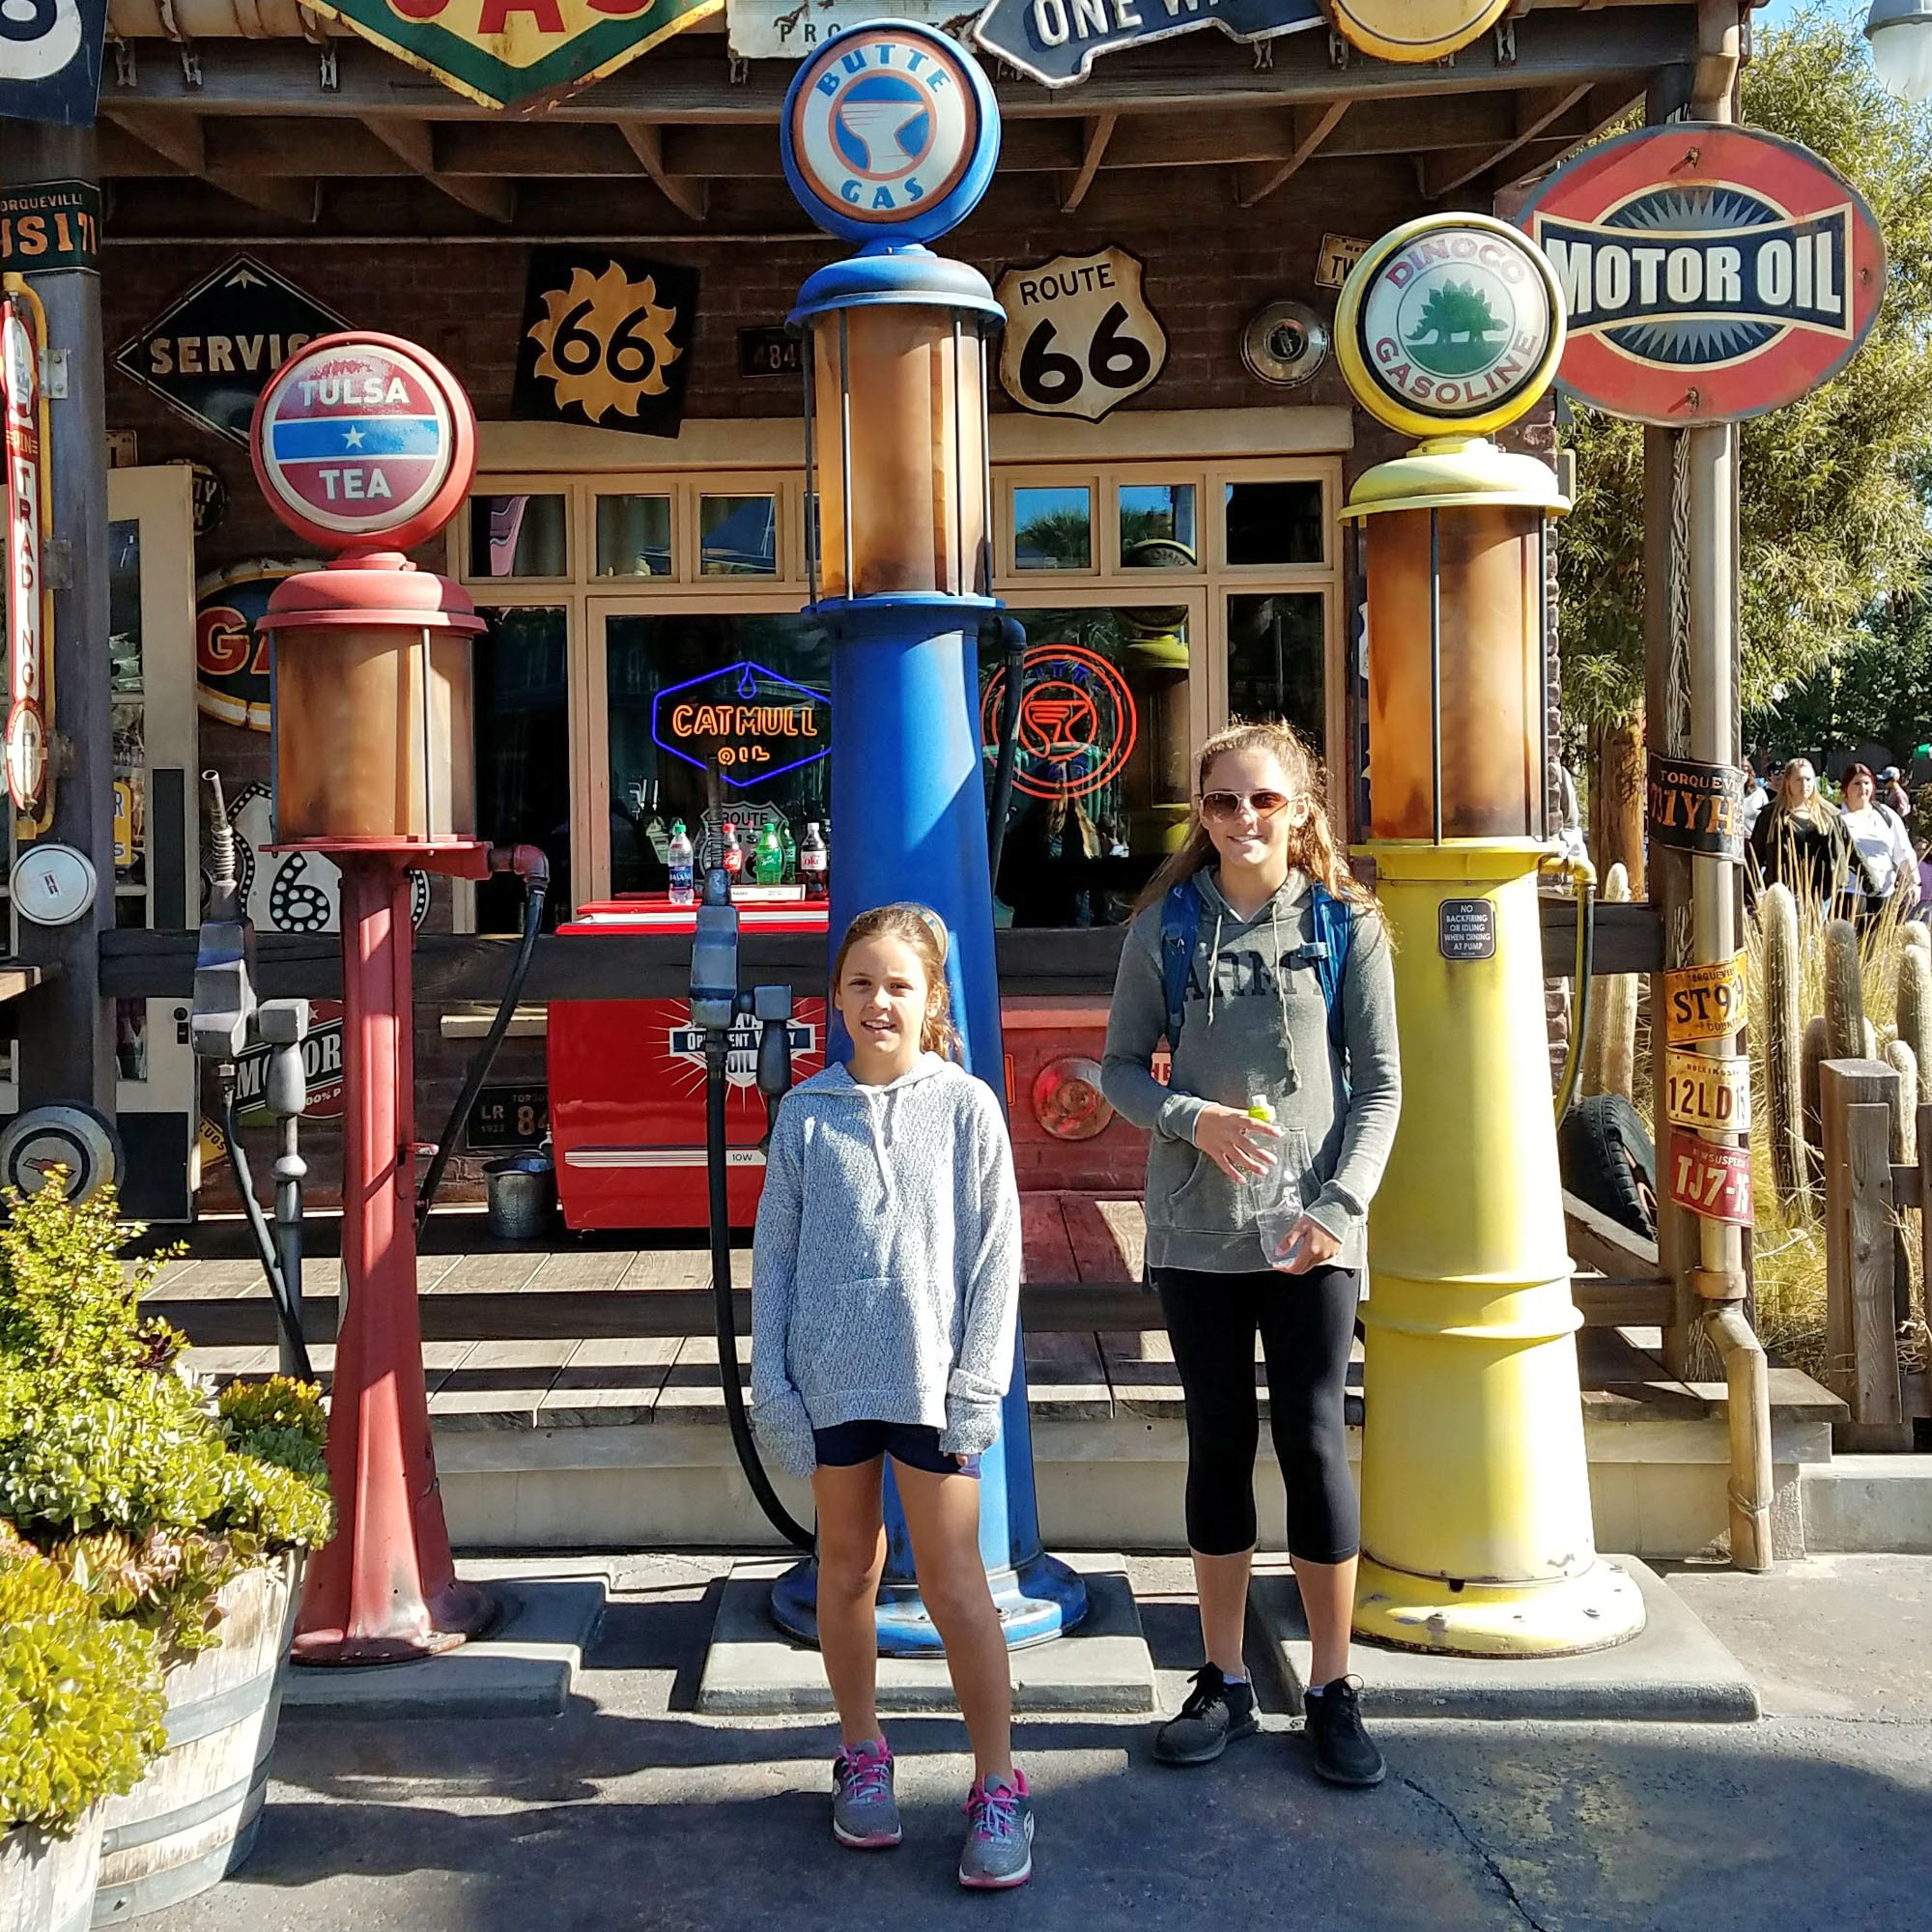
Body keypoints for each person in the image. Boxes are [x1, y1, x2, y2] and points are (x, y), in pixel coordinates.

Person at [1100, 720, 1401, 1788]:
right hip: (1196, 1231)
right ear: (1200, 811)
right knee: (1218, 1442)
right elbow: (1119, 1070)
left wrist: (1339, 1203)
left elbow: (1378, 1084)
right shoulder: (1165, 926)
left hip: (1310, 1234)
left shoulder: (1341, 922)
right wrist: (1192, 1117)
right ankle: (1221, 1675)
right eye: (1222, 801)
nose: (1241, 819)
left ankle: (1329, 1683)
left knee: (1314, 1441)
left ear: (1299, 807)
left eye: (1261, 799)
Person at [749, 903, 1034, 1889]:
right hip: (833, 1384)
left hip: (931, 1381)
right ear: (834, 995)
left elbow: (998, 1257)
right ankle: (860, 1747)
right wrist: (772, 1386)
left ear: (931, 1000)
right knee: (845, 1568)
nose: (878, 1001)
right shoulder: (805, 1113)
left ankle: (997, 1779)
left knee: (956, 1583)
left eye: (898, 984)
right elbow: (773, 1258)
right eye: (860, 982)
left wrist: (975, 1385)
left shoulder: (966, 1107)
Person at [1749, 757, 1860, 910]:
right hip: (1784, 890)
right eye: (1799, 780)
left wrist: (1869, 881)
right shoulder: (1771, 816)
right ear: (1788, 782)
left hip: (1821, 891)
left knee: (1814, 933)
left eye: (1808, 779)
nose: (1804, 785)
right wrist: (1750, 893)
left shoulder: (1828, 814)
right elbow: (1755, 855)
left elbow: (1850, 849)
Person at [1839, 763, 1918, 921]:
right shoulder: (1837, 818)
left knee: (1877, 944)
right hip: (1849, 894)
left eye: (1867, 783)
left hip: (1884, 894)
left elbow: (1903, 852)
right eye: (1857, 783)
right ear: (1845, 788)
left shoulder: (1885, 815)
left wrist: (1914, 881)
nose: (1863, 788)